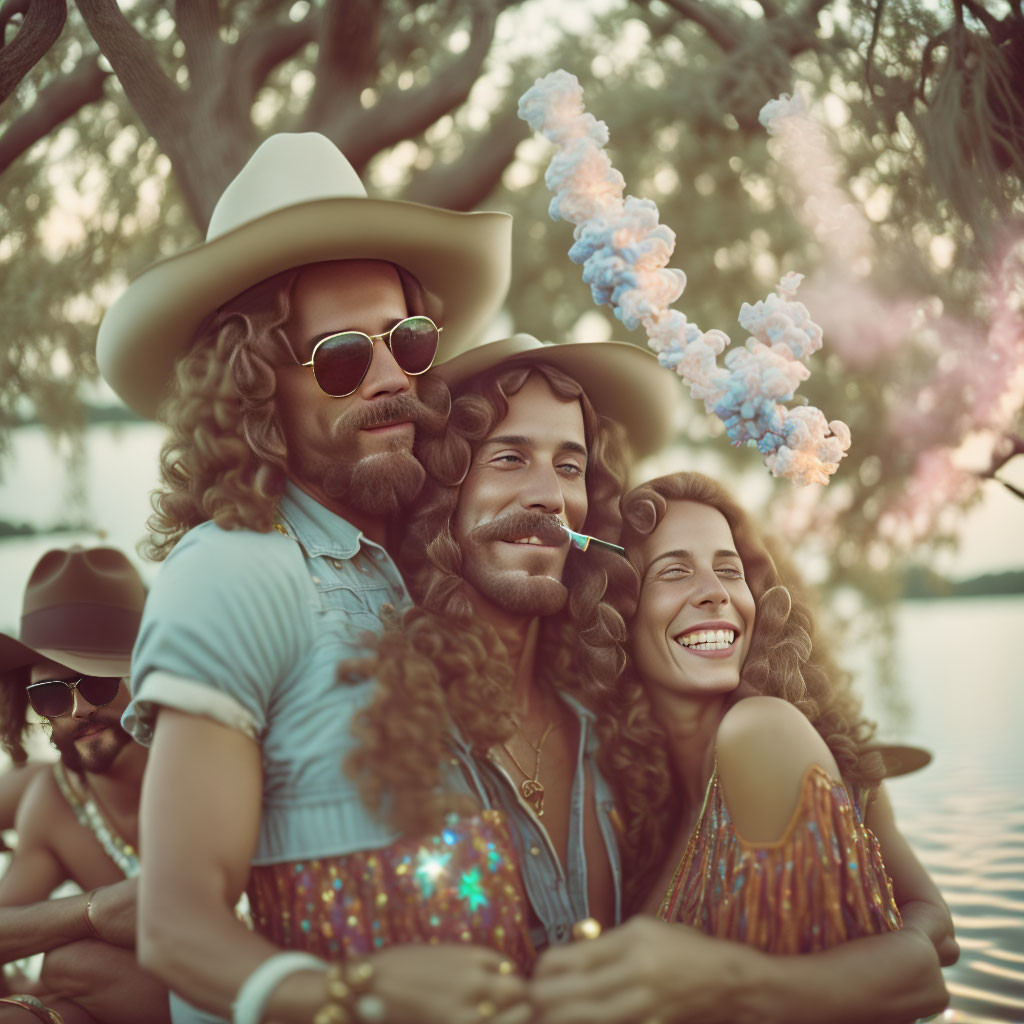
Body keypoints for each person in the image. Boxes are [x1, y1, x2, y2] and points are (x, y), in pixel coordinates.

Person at [96, 131, 532, 1024]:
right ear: (253, 388)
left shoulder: (428, 572)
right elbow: (177, 925)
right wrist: (354, 999)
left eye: (406, 341)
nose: (388, 378)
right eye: (340, 356)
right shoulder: (235, 570)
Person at [528, 471, 956, 1024]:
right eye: (675, 571)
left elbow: (927, 966)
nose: (716, 591)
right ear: (617, 615)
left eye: (729, 570)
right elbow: (928, 931)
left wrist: (726, 979)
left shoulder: (765, 731)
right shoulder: (624, 800)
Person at [348, 333, 679, 947]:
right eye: (509, 458)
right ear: (443, 492)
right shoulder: (373, 717)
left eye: (570, 467)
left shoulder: (614, 727)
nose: (548, 497)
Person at [0, 546, 168, 1024]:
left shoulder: (202, 759)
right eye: (51, 694)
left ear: (145, 673)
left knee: (76, 966)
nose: (78, 711)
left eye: (97, 683)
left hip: (273, 987)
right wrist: (92, 912)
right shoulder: (58, 800)